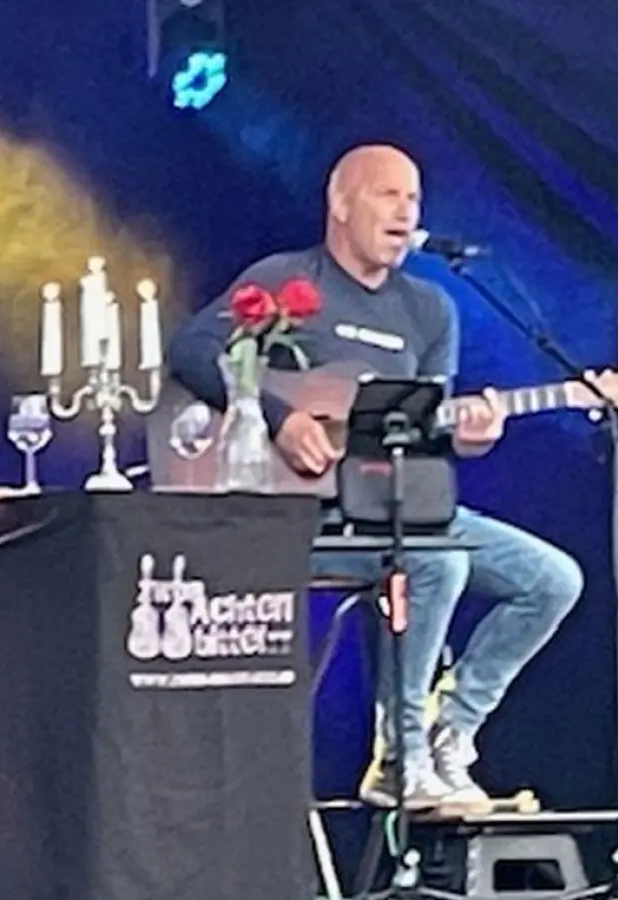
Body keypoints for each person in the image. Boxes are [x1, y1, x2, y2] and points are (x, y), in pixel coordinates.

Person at [167, 144, 584, 805]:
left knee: (552, 579)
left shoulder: (429, 309)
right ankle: (398, 756)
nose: (405, 211)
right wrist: (279, 418)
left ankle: (450, 732)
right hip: (290, 514)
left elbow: (418, 438)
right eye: (388, 195)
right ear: (340, 203)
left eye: (414, 199)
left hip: (387, 510)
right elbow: (190, 351)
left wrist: (470, 440)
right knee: (436, 563)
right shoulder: (287, 278)